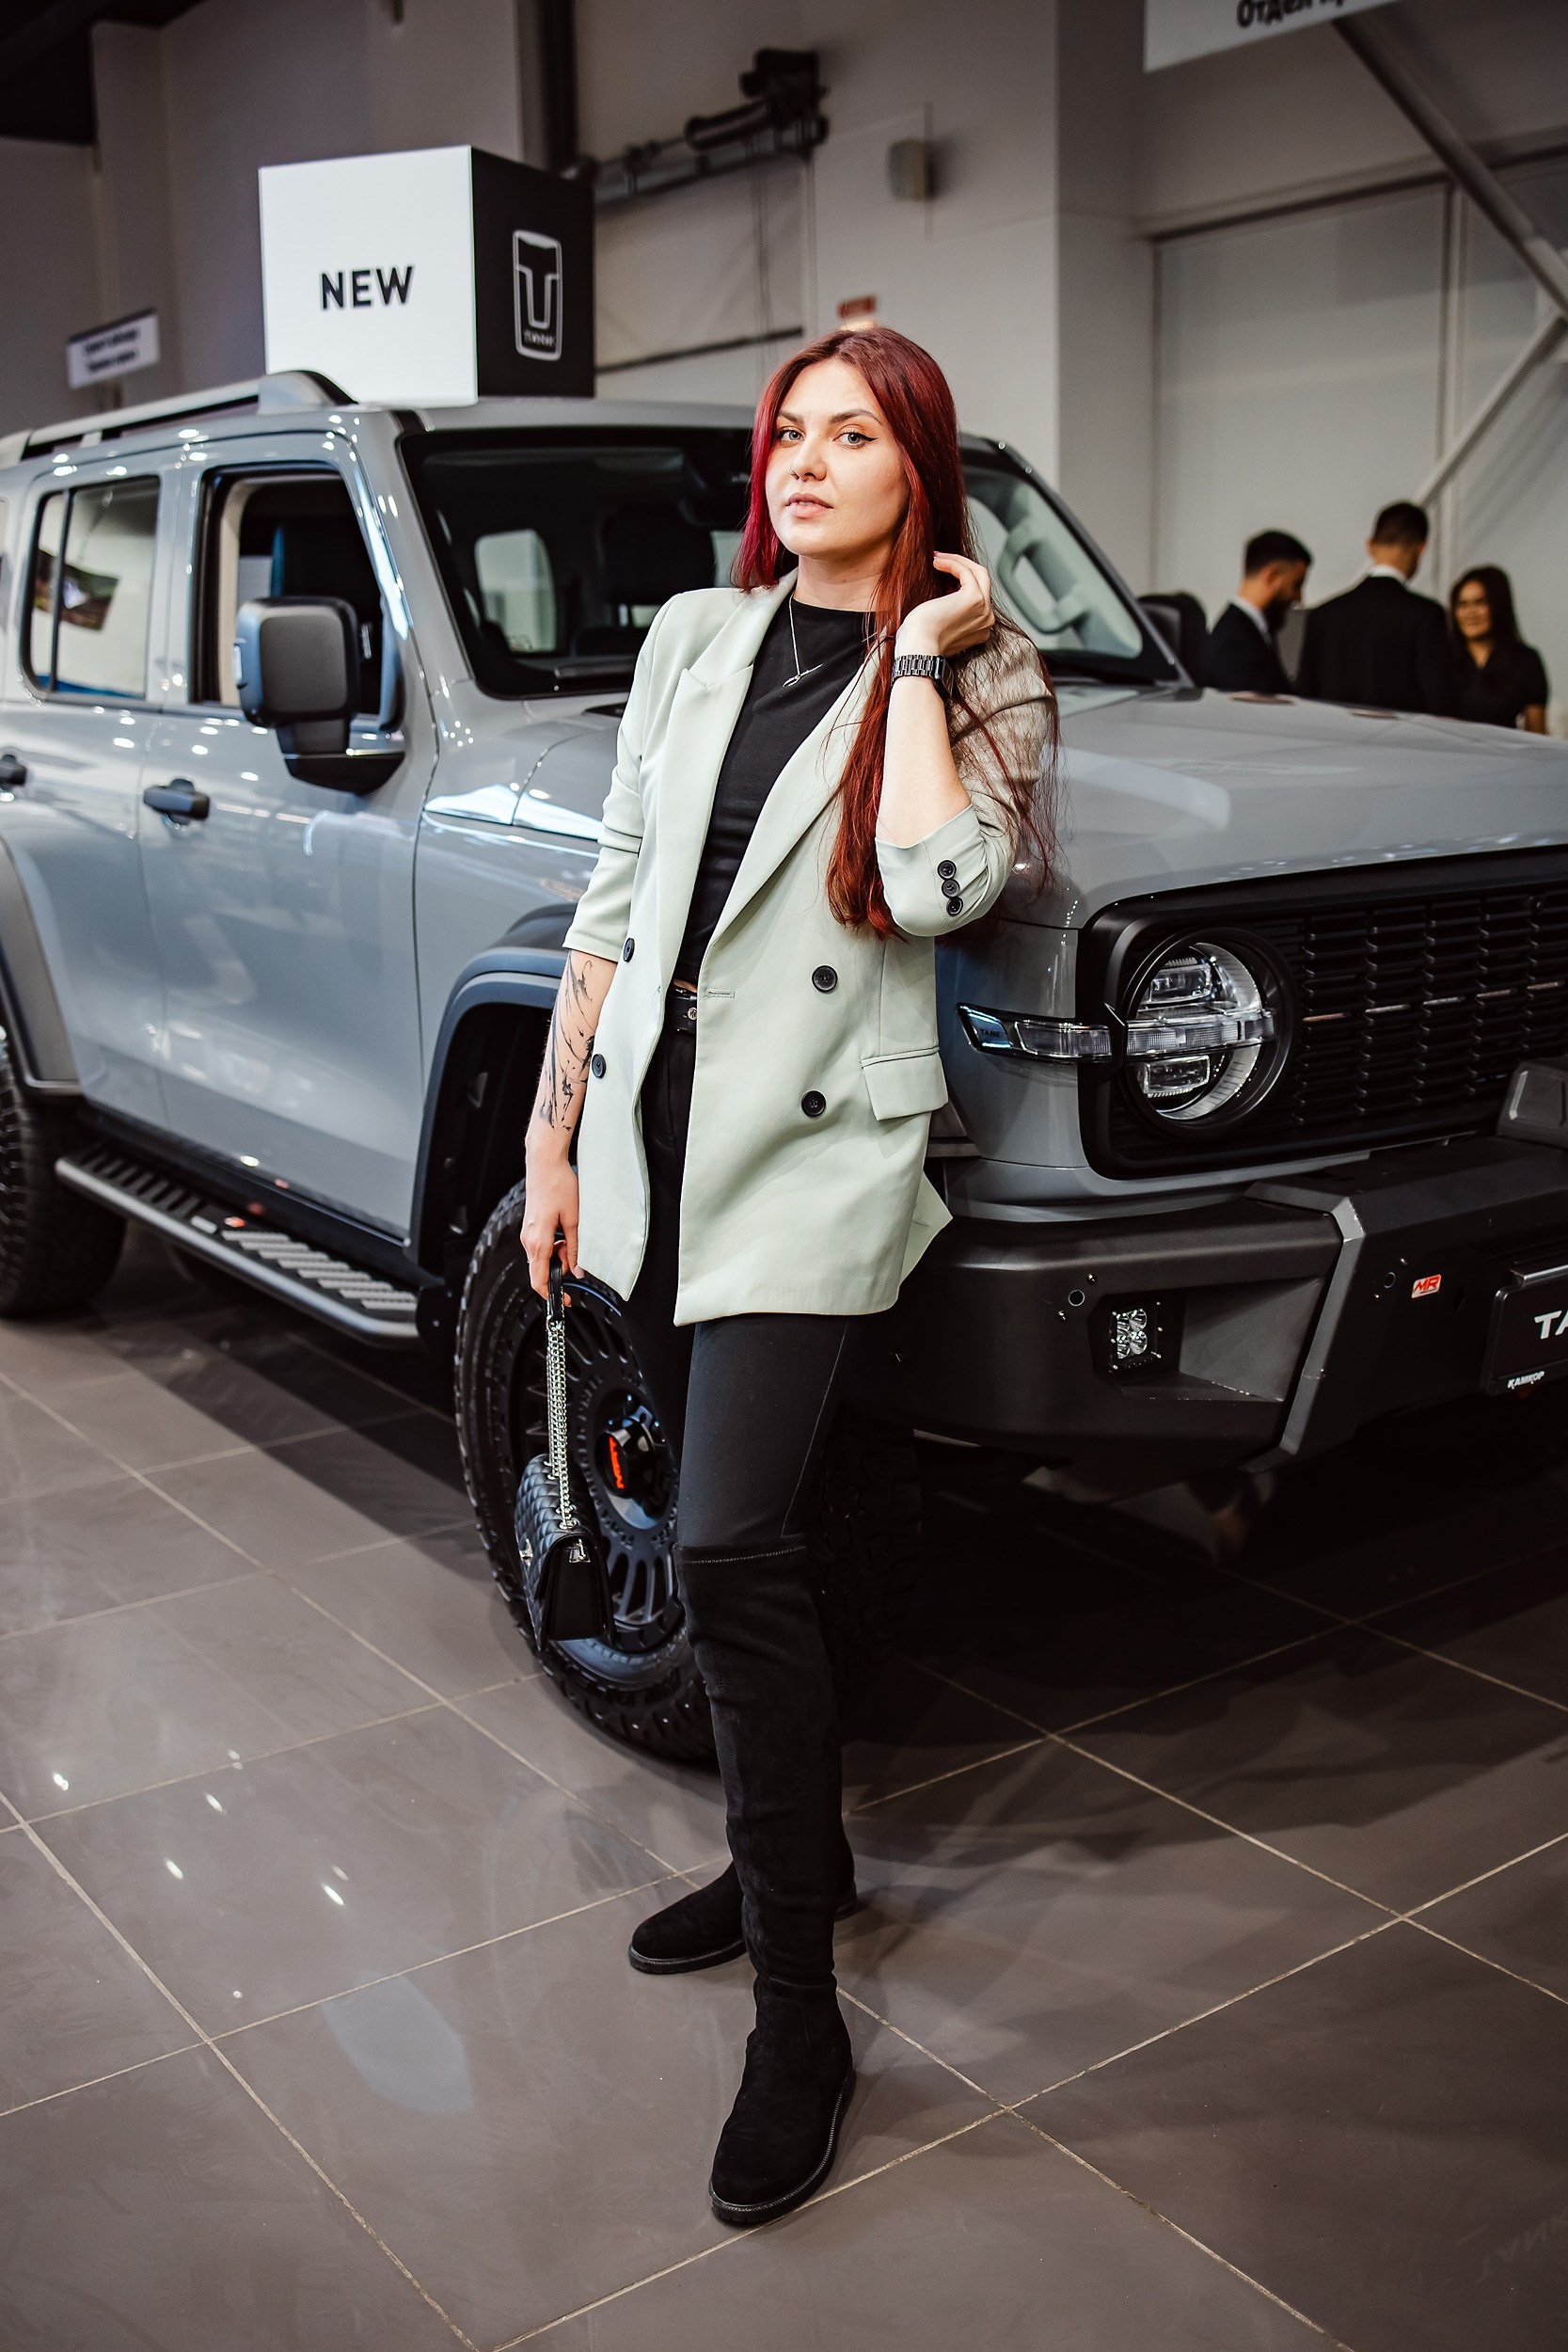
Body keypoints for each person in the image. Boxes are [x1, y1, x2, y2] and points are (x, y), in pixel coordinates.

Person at [518, 326, 1054, 2226]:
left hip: (815, 1148)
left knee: (730, 1542)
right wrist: (551, 1140)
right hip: (657, 1129)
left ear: (917, 465)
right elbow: (610, 894)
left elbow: (929, 891)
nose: (804, 462)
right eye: (787, 434)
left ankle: (800, 2017)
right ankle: (783, 1867)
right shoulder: (695, 636)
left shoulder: (985, 665)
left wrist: (910, 662)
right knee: (748, 1517)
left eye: (849, 434)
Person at [1295, 500, 1455, 716]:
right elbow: (1440, 703)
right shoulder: (1427, 615)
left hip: (1333, 736)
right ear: (1421, 548)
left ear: (1370, 545)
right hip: (1401, 737)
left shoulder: (1323, 615)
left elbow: (1305, 698)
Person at [1205, 529, 1312, 694]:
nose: (1299, 598)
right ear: (1271, 576)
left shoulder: (1252, 632)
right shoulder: (1234, 644)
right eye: (1296, 584)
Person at [1448, 565, 1550, 733]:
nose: (1470, 612)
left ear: (1498, 606)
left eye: (1480, 602)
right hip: (1448, 749)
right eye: (1462, 604)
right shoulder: (1440, 657)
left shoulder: (1526, 661)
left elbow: (1537, 734)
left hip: (1503, 750)